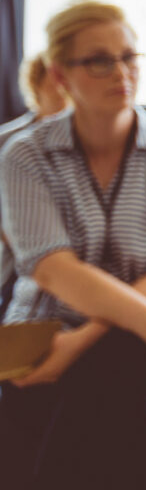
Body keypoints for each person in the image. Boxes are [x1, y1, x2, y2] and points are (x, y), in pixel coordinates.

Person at [0, 0, 146, 490]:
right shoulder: (24, 155)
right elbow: (52, 268)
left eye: (129, 56)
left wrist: (84, 341)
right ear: (60, 74)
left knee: (109, 384)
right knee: (136, 416)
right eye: (99, 59)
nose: (121, 71)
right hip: (44, 329)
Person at [0, 52, 71, 319]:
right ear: (37, 86)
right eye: (55, 80)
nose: (63, 89)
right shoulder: (8, 142)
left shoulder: (86, 142)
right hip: (17, 266)